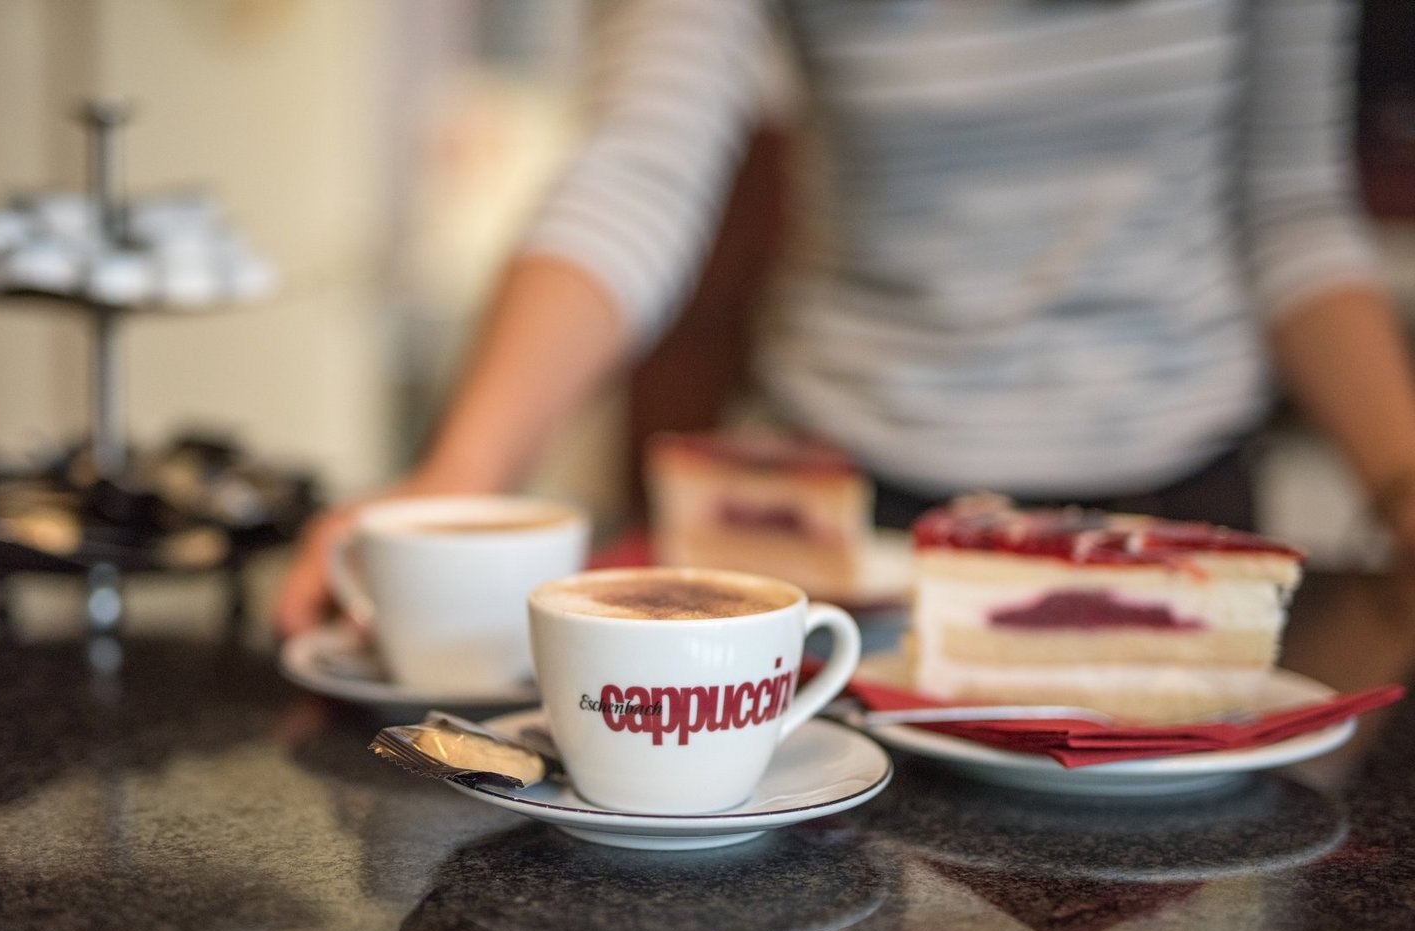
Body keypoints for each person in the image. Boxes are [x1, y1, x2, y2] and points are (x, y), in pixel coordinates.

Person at [275, 0, 1415, 636]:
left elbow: (1290, 210)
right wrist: (465, 470)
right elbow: (637, 166)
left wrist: (1403, 487)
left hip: (1177, 521)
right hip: (838, 526)